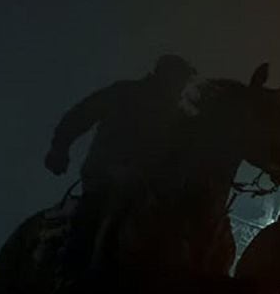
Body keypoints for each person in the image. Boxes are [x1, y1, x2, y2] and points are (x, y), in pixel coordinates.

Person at [44, 54, 198, 279]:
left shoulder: (178, 116)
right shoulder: (124, 94)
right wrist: (59, 148)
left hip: (150, 188)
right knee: (92, 218)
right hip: (105, 175)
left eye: (183, 81)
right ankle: (69, 277)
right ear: (165, 76)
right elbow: (82, 115)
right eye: (179, 79)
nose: (181, 86)